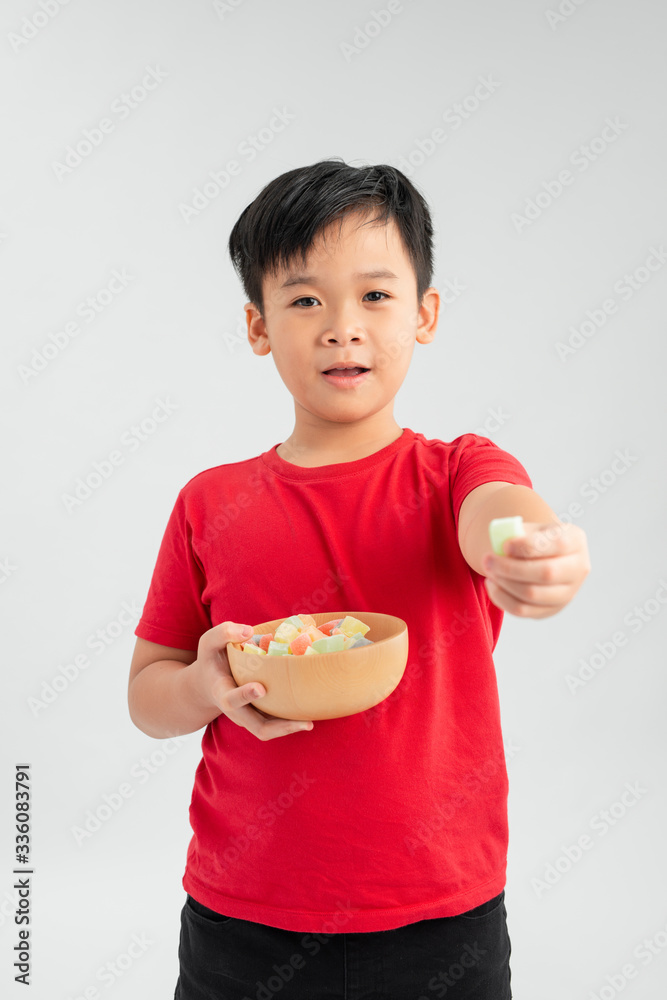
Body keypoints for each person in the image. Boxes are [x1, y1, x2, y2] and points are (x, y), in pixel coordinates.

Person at [127, 158, 591, 999]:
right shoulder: (210, 501)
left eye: (375, 296)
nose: (342, 326)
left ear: (425, 315)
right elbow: (147, 694)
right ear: (258, 325)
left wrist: (530, 552)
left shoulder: (456, 470)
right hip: (243, 920)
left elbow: (500, 515)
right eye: (305, 299)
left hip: (442, 919)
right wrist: (204, 684)